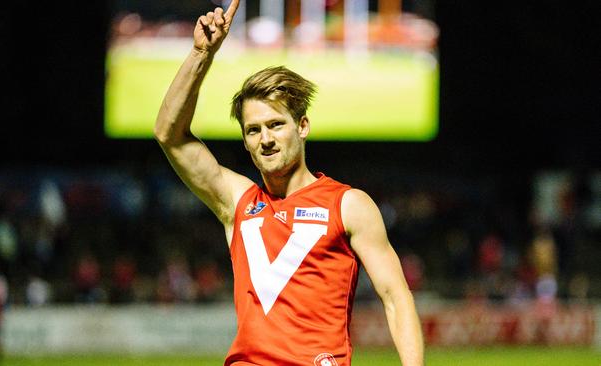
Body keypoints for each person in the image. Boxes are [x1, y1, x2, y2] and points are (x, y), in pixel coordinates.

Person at [153, 1, 424, 364]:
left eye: (276, 124)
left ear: (302, 126)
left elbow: (396, 297)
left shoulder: (349, 205)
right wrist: (202, 54)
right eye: (253, 130)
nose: (265, 138)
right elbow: (169, 135)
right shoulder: (238, 202)